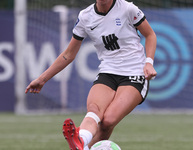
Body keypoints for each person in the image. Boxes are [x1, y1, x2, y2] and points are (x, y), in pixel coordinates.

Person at [25, 0, 157, 149]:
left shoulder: (128, 9)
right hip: (107, 72)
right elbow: (69, 54)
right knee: (94, 110)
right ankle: (80, 140)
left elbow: (150, 34)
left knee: (108, 121)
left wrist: (148, 62)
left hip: (135, 73)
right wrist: (42, 79)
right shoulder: (85, 16)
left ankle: (81, 142)